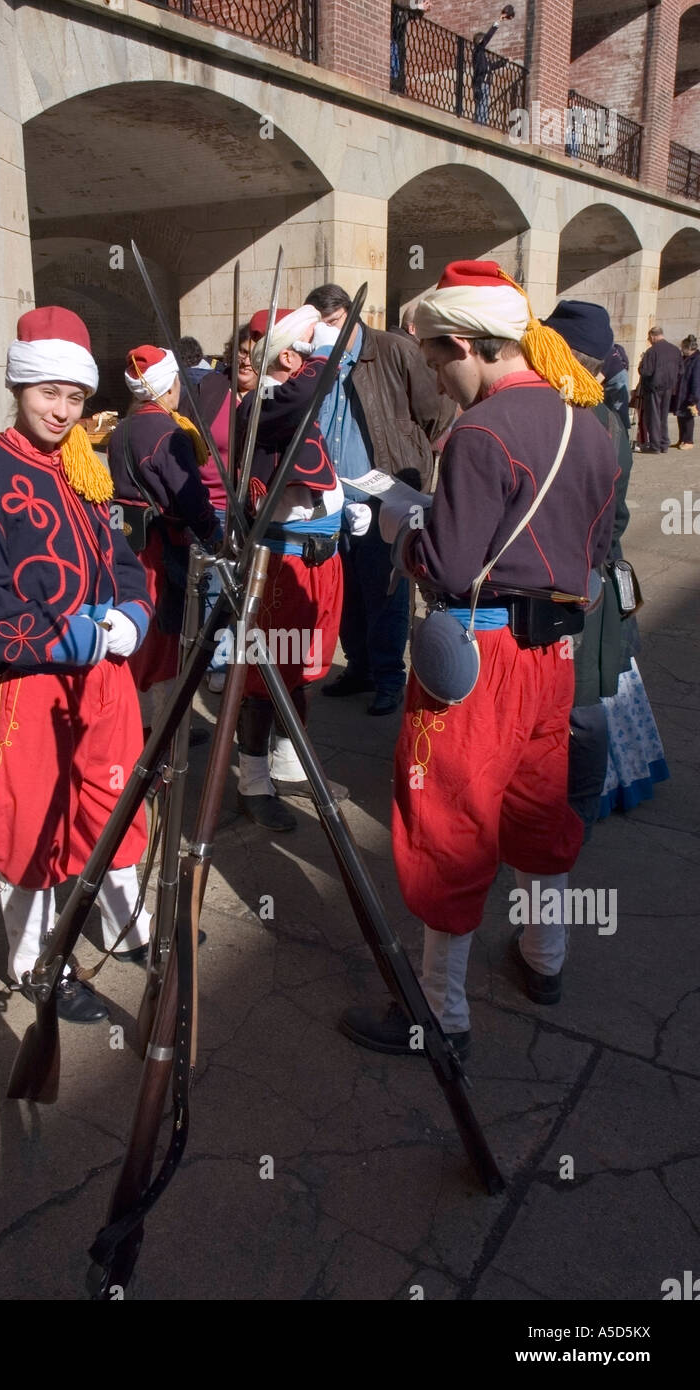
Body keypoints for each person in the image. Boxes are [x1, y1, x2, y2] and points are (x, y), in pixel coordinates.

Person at [339, 260, 618, 1061]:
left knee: (450, 821)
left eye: (435, 359)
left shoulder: (482, 431)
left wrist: (400, 526)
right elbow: (593, 552)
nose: (434, 374)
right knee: (537, 808)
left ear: (466, 342)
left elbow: (449, 568)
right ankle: (544, 960)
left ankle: (440, 1012)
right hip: (552, 655)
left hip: (481, 657)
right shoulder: (587, 425)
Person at [0, 307, 155, 1025]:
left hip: (107, 683)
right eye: (47, 393)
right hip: (29, 685)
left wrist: (132, 614)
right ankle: (34, 964)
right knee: (29, 824)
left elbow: (123, 562)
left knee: (115, 804)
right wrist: (72, 640)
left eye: (74, 397)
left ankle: (130, 930)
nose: (62, 411)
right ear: (19, 387)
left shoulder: (84, 468)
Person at [304, 283, 456, 716]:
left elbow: (437, 409)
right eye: (321, 326)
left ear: (351, 316)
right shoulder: (320, 361)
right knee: (347, 590)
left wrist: (413, 456)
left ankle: (390, 678)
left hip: (384, 498)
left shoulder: (391, 350)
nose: (327, 333)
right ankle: (359, 668)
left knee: (386, 591)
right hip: (333, 502)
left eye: (333, 323)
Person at [234, 305, 345, 832]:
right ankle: (253, 781)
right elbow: (313, 385)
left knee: (301, 676)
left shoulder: (289, 402)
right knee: (264, 680)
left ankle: (287, 764)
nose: (314, 355)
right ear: (287, 354)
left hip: (317, 563)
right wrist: (325, 343)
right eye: (307, 346)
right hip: (280, 565)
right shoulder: (261, 403)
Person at [541, 301, 635, 837]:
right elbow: (618, 518)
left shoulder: (582, 420)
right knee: (581, 702)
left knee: (580, 706)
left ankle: (575, 812)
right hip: (585, 579)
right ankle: (575, 808)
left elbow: (612, 518)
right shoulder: (608, 419)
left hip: (576, 587)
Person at [107, 345, 220, 730]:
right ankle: (162, 735)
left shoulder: (123, 428)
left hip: (127, 546)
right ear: (169, 385)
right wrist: (215, 535)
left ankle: (154, 728)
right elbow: (190, 498)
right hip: (159, 551)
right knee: (164, 642)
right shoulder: (167, 433)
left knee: (142, 636)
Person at [179, 322, 260, 693]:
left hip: (253, 508)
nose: (245, 359)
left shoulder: (271, 394)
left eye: (253, 353)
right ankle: (216, 663)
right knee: (215, 586)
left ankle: (239, 657)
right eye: (240, 351)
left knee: (248, 588)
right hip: (215, 504)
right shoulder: (213, 387)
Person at [638, 327, 681, 453]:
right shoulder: (675, 350)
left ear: (652, 336)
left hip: (654, 387)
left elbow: (646, 371)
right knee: (663, 416)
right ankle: (663, 443)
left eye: (649, 338)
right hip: (669, 388)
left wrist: (641, 366)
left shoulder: (652, 351)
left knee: (653, 416)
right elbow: (681, 370)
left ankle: (655, 445)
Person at [471, 8, 515, 126]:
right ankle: (479, 125)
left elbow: (491, 66)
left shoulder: (482, 56)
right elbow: (487, 38)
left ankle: (481, 124)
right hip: (480, 82)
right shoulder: (477, 51)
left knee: (484, 104)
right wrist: (498, 22)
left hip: (484, 82)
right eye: (482, 40)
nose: (485, 43)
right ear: (479, 41)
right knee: (482, 104)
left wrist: (505, 62)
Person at [673, 335, 700, 449]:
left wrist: (694, 398)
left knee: (688, 417)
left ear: (689, 348)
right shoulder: (685, 358)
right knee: (681, 416)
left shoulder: (697, 360)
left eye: (683, 347)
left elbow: (696, 380)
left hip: (690, 393)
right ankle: (681, 439)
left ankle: (688, 441)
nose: (682, 349)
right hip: (682, 392)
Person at [602, 342, 631, 434]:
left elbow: (600, 376)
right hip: (617, 379)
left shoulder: (605, 351)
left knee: (619, 412)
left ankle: (623, 440)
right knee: (610, 410)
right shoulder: (615, 348)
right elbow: (626, 363)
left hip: (616, 381)